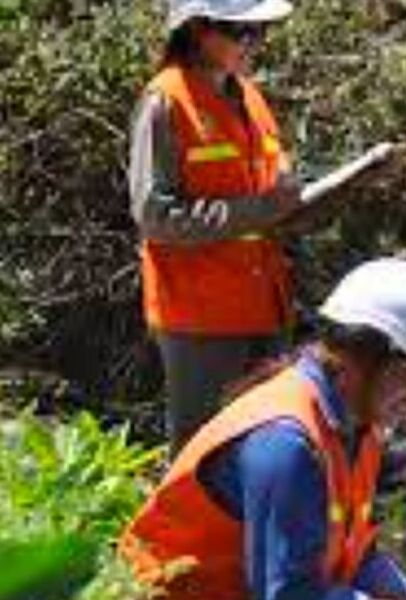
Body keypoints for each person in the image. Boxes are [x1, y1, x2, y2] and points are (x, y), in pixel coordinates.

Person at [119, 257, 406, 600]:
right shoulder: (285, 443)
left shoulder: (360, 428)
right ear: (358, 356)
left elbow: (357, 555)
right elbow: (288, 595)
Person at [128, 0, 302, 454]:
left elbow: (270, 184)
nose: (255, 42)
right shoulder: (165, 100)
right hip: (200, 315)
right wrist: (260, 210)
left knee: (266, 449)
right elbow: (155, 217)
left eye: (261, 30)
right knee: (203, 454)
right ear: (199, 29)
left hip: (264, 306)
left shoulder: (250, 96)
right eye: (242, 32)